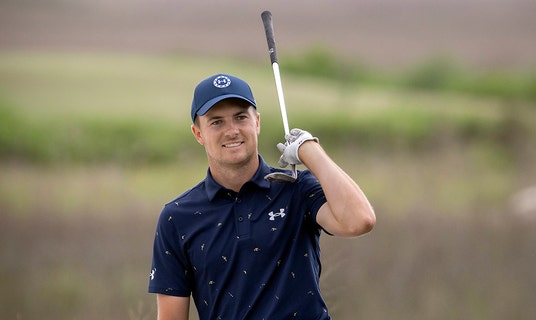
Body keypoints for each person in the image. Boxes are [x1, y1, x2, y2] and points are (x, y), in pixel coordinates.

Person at [148, 73, 376, 319]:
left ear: (256, 122)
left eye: (240, 117)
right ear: (198, 133)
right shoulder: (177, 216)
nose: (232, 131)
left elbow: (359, 220)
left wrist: (310, 149)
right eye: (216, 122)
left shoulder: (295, 188)